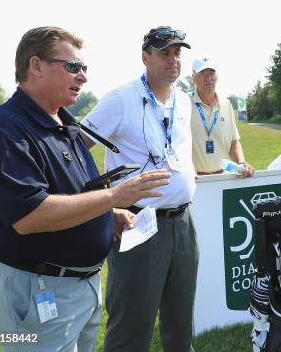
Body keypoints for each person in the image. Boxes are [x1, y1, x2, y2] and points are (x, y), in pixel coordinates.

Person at [0, 26, 170, 351]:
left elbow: (74, 193)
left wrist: (109, 213)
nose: (83, 77)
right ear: (36, 66)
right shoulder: (4, 131)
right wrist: (113, 197)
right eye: (73, 67)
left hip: (80, 286)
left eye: (84, 68)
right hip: (40, 289)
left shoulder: (64, 123)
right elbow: (30, 215)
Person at [81, 26, 198, 352]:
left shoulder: (184, 100)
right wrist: (101, 199)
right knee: (132, 324)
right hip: (137, 223)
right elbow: (75, 150)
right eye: (164, 53)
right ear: (145, 57)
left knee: (181, 322)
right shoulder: (121, 98)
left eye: (177, 52)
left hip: (183, 224)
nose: (173, 59)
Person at [189, 57, 254, 177]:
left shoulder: (226, 104)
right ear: (193, 77)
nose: (208, 78)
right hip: (195, 179)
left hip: (224, 177)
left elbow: (234, 142)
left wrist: (241, 163)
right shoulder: (184, 104)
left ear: (217, 76)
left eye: (212, 73)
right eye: (202, 73)